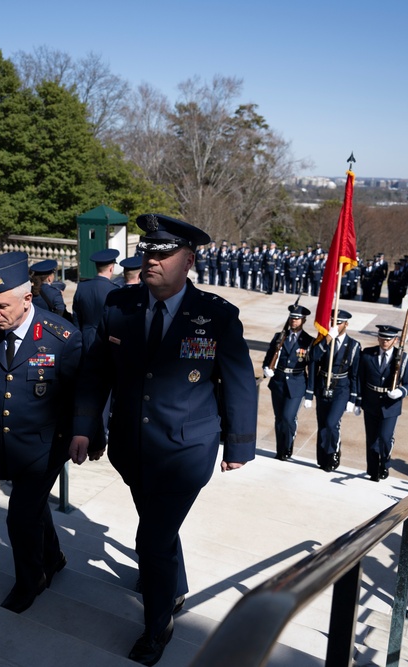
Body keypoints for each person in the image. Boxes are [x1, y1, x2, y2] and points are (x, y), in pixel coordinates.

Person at [71, 213, 257, 666]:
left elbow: (239, 381)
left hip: (185, 451)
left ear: (188, 260)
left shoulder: (215, 315)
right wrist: (84, 425)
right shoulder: (120, 306)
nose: (150, 260)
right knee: (160, 526)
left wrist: (238, 445)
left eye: (162, 253)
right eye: (147, 252)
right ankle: (175, 588)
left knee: (151, 540)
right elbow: (98, 372)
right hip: (132, 449)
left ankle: (157, 628)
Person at [0, 252, 82, 613]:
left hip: (47, 443)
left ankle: (31, 580)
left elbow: (80, 394)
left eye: (2, 306)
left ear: (27, 299)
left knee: (19, 515)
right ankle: (53, 557)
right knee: (32, 507)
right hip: (9, 441)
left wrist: (85, 434)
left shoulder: (61, 337)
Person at [357, 324, 408, 481]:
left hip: (390, 405)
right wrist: (357, 400)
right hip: (371, 402)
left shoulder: (403, 358)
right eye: (382, 337)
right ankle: (374, 471)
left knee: (385, 437)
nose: (384, 341)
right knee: (372, 439)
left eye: (388, 339)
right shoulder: (368, 354)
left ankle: (385, 463)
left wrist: (400, 392)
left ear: (395, 340)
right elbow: (360, 378)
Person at [307, 310, 361, 472]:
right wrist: (328, 338)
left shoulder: (353, 345)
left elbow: (355, 373)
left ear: (346, 324)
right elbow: (313, 358)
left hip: (341, 389)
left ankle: (333, 453)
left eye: (339, 323)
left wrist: (353, 398)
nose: (335, 325)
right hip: (323, 385)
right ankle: (322, 457)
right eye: (333, 322)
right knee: (322, 424)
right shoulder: (324, 340)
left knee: (331, 424)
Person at [262, 304, 313, 461]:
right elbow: (270, 355)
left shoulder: (308, 341)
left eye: (297, 319)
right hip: (278, 381)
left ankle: (288, 447)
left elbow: (311, 367)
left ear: (303, 320)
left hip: (297, 383)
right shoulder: (279, 337)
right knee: (279, 419)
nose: (294, 321)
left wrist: (310, 392)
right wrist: (266, 368)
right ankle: (280, 450)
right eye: (292, 318)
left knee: (288, 418)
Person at [72, 248, 119, 352]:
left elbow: (76, 315)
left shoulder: (82, 286)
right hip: (106, 340)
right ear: (111, 268)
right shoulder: (115, 290)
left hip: (85, 336)